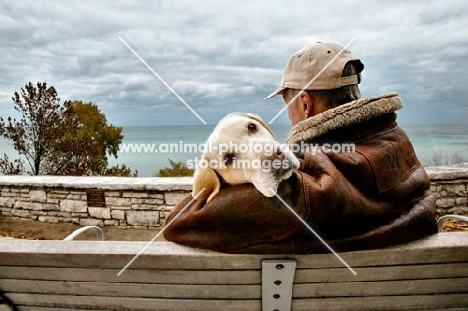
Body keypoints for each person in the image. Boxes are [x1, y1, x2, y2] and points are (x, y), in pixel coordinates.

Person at [163, 42, 437, 254]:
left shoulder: (304, 191)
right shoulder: (397, 141)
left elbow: (179, 222)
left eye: (286, 101)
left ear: (305, 105)